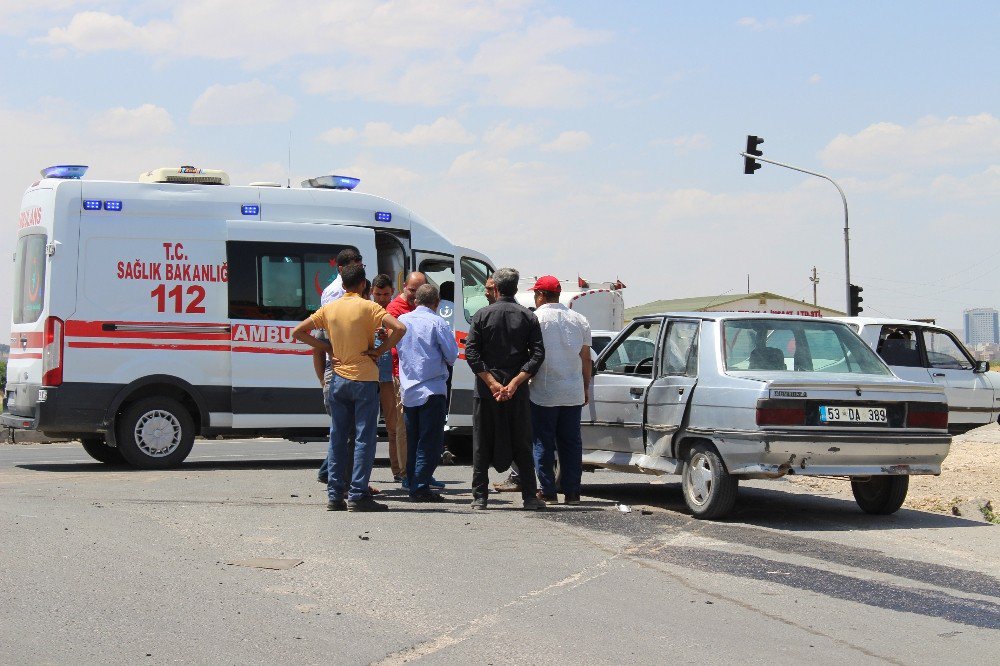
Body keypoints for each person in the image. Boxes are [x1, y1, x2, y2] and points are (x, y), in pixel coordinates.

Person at [293, 263, 406, 512]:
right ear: (364, 285)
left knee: (338, 437)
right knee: (364, 438)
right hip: (365, 379)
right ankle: (357, 494)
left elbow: (299, 332)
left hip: (339, 379)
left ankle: (335, 495)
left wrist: (328, 348)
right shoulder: (370, 307)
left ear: (342, 285)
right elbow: (400, 328)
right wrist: (379, 351)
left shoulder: (330, 308)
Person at [465, 267, 545, 510]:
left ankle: (480, 497)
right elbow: (538, 354)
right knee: (522, 441)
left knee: (482, 442)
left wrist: (491, 383)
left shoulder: (481, 315)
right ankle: (530, 496)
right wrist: (514, 383)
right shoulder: (528, 317)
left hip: (487, 390)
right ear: (516, 288)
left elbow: (471, 353)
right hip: (516, 390)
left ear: (496, 289)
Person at [528, 275, 592, 505]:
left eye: (536, 294)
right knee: (571, 443)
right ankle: (572, 492)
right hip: (572, 391)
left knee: (543, 442)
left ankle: (547, 490)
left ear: (541, 295)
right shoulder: (579, 319)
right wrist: (586, 386)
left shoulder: (535, 319)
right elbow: (586, 358)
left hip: (544, 391)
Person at [396, 284, 460, 502]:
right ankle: (420, 486)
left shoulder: (402, 321)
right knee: (430, 441)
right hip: (432, 389)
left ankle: (412, 480)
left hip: (408, 390)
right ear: (437, 302)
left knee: (413, 440)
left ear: (415, 301)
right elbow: (452, 355)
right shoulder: (438, 322)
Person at [386, 272, 443, 491]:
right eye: (412, 290)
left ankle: (423, 473)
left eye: (419, 291)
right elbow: (393, 346)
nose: (415, 296)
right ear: (404, 287)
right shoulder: (395, 310)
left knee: (426, 430)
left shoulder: (422, 311)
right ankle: (405, 473)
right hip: (402, 375)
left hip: (421, 378)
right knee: (406, 428)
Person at [314, 249, 364, 484]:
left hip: (339, 366)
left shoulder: (336, 293)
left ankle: (333, 476)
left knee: (343, 431)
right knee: (346, 432)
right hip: (343, 367)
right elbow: (328, 335)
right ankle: (340, 481)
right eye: (357, 263)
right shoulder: (336, 294)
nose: (361, 266)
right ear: (343, 268)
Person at [370, 274, 402, 479]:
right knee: (364, 429)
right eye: (379, 294)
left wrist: (387, 337)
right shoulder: (367, 310)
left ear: (392, 293)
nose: (382, 298)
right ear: (372, 292)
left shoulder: (395, 313)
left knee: (393, 427)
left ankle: (398, 470)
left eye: (386, 294)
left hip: (389, 376)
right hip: (368, 376)